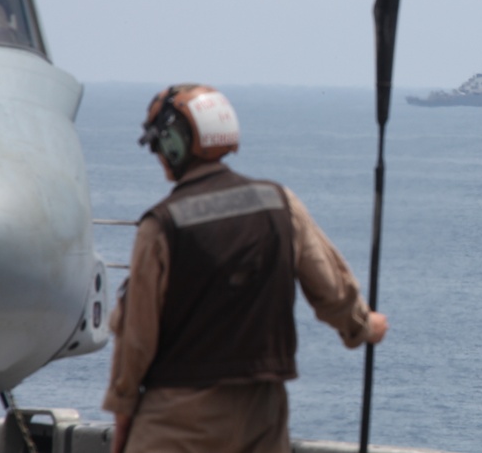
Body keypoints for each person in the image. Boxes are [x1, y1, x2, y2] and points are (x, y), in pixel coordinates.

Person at [102, 83, 388, 453]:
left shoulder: (161, 226)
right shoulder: (281, 204)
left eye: (158, 144)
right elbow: (332, 290)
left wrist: (123, 416)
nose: (157, 155)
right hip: (263, 415)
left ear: (175, 144)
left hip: (179, 416)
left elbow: (136, 336)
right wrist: (364, 326)